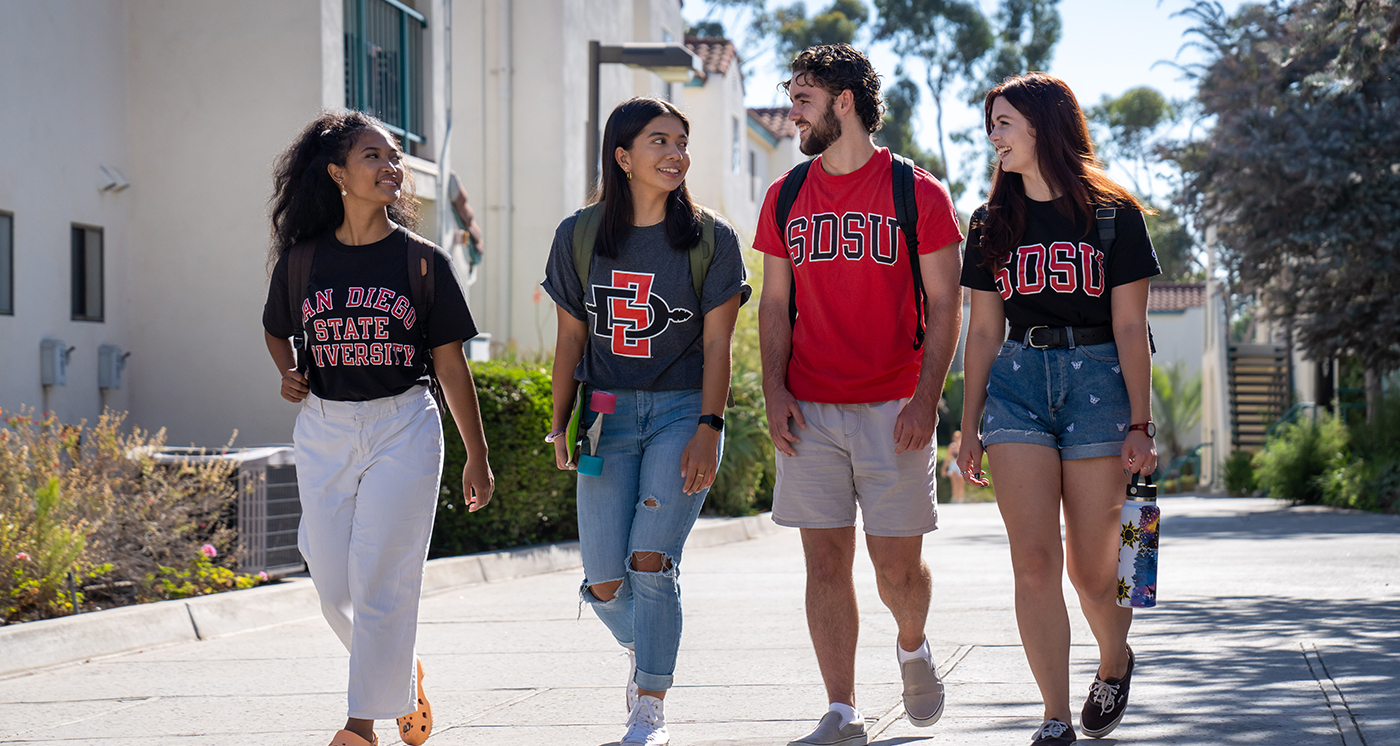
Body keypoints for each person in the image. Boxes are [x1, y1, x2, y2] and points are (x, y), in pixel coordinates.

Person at [262, 110, 494, 746]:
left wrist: (477, 454)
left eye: (395, 158)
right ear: (337, 173)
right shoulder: (302, 261)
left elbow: (451, 364)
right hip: (324, 428)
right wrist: (289, 372)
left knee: (382, 575)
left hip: (403, 426)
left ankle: (359, 727)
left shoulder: (422, 262)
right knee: (331, 576)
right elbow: (277, 329)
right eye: (373, 157)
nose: (391, 168)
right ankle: (398, 675)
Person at [754, 44, 964, 746]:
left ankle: (912, 645)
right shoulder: (785, 196)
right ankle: (842, 710)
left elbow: (945, 306)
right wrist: (776, 391)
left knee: (896, 567)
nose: (794, 111)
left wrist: (926, 399)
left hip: (894, 407)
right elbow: (774, 305)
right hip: (810, 410)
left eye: (803, 97)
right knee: (824, 562)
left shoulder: (918, 193)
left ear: (844, 101)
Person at [957, 73, 1160, 746]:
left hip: (1098, 380)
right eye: (992, 124)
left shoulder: (1111, 214)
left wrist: (1141, 420)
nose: (994, 136)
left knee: (1095, 570)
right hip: (1017, 382)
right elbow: (982, 330)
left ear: (1043, 125)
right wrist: (966, 428)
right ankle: (1053, 714)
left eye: (1004, 122)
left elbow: (1133, 327)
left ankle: (1114, 660)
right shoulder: (990, 222)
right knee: (1035, 562)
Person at [542, 96, 748, 746]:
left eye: (682, 141)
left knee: (651, 563)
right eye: (659, 140)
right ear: (623, 157)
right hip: (604, 416)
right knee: (605, 581)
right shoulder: (578, 235)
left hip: (682, 410)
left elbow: (719, 345)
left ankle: (650, 709)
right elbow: (571, 342)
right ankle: (649, 648)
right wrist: (559, 423)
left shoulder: (711, 239)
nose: (676, 152)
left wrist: (709, 427)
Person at [944, 431, 966, 502]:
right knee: (954, 482)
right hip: (953, 464)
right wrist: (944, 469)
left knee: (961, 483)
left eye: (958, 437)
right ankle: (954, 497)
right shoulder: (952, 446)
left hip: (961, 464)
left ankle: (961, 498)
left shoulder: (963, 446)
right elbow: (947, 458)